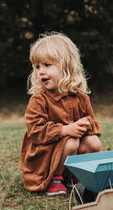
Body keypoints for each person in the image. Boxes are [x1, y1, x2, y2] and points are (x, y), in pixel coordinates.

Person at [20, 32, 102, 195]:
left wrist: (85, 125)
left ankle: (73, 175)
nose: (40, 71)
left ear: (67, 67)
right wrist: (65, 130)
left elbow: (95, 126)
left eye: (47, 65)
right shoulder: (39, 100)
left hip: (67, 152)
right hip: (44, 157)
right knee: (71, 141)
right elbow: (36, 132)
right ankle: (54, 179)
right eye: (37, 67)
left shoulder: (81, 98)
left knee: (93, 142)